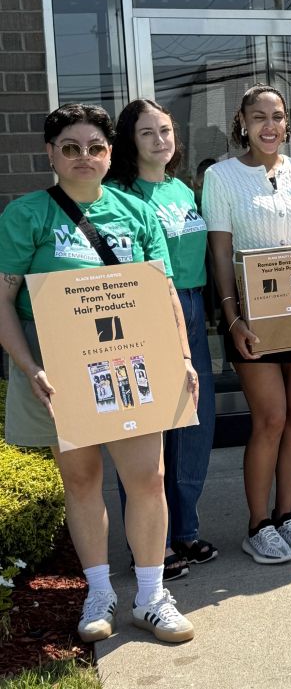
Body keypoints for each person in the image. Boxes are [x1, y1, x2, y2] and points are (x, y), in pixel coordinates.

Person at [0, 103, 197, 643]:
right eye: (70, 148)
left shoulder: (136, 212)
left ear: (112, 154)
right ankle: (100, 591)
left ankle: (153, 596)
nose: (83, 157)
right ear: (50, 153)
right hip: (59, 366)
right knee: (83, 480)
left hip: (132, 357)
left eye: (95, 148)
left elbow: (164, 294)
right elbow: (3, 300)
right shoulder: (27, 215)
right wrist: (29, 367)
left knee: (148, 478)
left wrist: (180, 356)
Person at [202, 84, 291, 563]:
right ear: (242, 120)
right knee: (271, 417)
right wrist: (231, 315)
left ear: (287, 121)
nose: (269, 125)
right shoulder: (221, 177)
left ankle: (286, 514)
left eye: (277, 116)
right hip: (252, 317)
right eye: (258, 116)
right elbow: (219, 251)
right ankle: (257, 523)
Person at [108, 99, 217, 579]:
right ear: (130, 141)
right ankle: (149, 545)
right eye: (148, 132)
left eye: (167, 131)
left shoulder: (183, 191)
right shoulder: (119, 196)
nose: (160, 140)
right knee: (150, 430)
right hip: (148, 314)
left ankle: (185, 529)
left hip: (191, 308)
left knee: (194, 422)